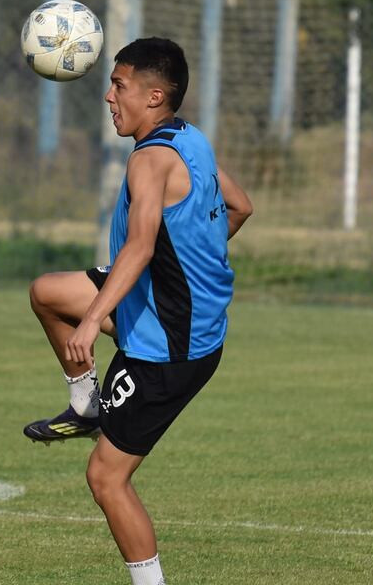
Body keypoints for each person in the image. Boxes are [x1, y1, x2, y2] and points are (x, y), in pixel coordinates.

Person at [22, 38, 252, 585]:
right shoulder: (190, 139)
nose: (107, 95)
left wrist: (92, 318)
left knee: (106, 479)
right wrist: (195, 263)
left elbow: (140, 247)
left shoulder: (149, 161)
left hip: (172, 349)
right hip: (174, 313)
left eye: (118, 85)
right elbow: (240, 207)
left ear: (153, 95)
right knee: (47, 292)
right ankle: (85, 406)